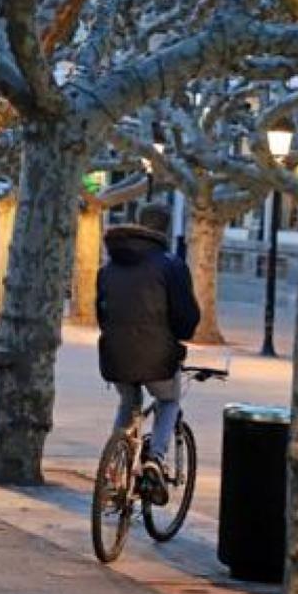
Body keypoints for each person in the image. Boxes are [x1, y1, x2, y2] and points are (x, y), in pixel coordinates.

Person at [96, 203, 199, 502]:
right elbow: (185, 317)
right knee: (168, 400)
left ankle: (114, 470)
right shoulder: (171, 265)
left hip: (115, 352)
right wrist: (180, 336)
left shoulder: (109, 267)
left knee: (128, 401)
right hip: (158, 355)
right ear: (165, 229)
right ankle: (155, 458)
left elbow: (102, 315)